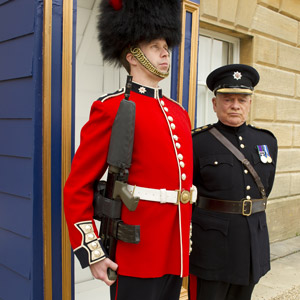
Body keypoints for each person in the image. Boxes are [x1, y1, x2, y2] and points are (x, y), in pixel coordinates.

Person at [64, 0, 196, 299]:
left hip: (173, 251)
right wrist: (93, 252)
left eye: (166, 45)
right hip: (136, 252)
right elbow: (77, 187)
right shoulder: (110, 108)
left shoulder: (178, 113)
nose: (165, 52)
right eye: (154, 46)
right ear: (133, 56)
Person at [189, 64, 278, 300]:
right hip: (211, 246)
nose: (235, 105)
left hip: (251, 243)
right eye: (228, 99)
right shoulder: (197, 142)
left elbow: (265, 189)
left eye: (242, 99)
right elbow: (188, 196)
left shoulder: (266, 141)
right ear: (215, 103)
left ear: (249, 103)